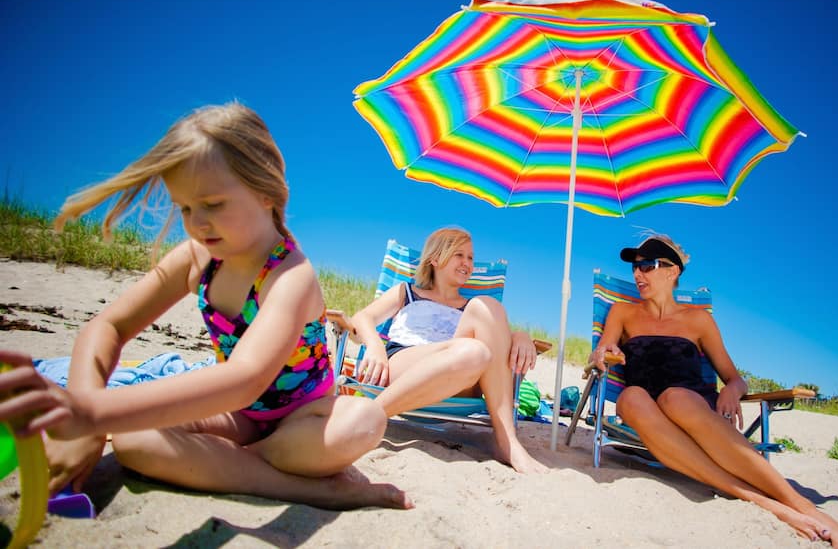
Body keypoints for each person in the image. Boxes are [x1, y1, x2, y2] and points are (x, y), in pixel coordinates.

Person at [0, 103, 410, 511]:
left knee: (365, 420)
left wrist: (92, 412)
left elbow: (244, 377)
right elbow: (108, 326)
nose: (197, 223)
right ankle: (285, 479)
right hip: (241, 418)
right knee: (132, 439)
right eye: (185, 208)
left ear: (265, 189)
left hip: (307, 421)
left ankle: (297, 485)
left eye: (212, 204)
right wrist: (86, 411)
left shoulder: (290, 275)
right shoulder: (197, 259)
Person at [590, 234, 838, 547]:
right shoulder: (622, 312)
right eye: (635, 267)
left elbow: (734, 378)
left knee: (676, 398)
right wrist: (604, 352)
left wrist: (731, 392)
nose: (638, 273)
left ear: (672, 271)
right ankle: (761, 500)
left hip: (690, 409)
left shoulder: (698, 319)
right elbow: (602, 352)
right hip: (643, 414)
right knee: (632, 396)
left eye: (647, 265)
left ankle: (799, 505)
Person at [350, 227, 547, 474]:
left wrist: (520, 336)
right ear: (434, 258)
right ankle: (372, 417)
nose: (467, 263)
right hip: (405, 366)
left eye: (471, 257)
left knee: (483, 320)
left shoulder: (474, 309)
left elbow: (496, 350)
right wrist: (376, 347)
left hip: (461, 377)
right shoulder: (407, 292)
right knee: (475, 350)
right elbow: (362, 317)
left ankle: (507, 441)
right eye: (459, 255)